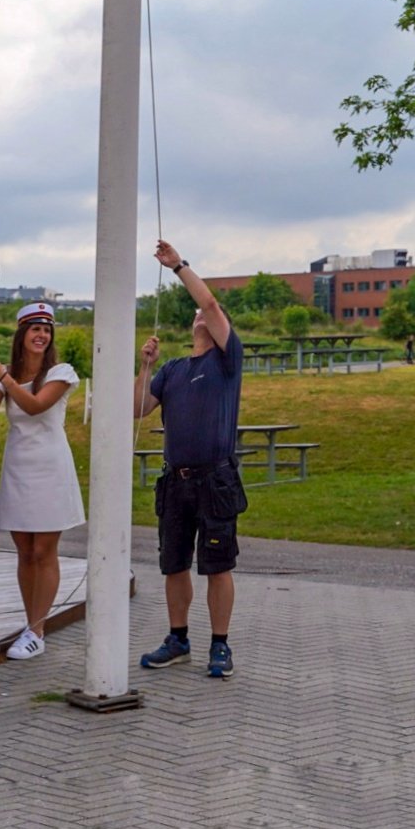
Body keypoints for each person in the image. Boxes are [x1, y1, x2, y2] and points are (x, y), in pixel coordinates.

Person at [133, 240, 244, 681]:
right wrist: (144, 366)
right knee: (174, 563)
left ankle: (220, 645)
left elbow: (211, 301)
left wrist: (177, 265)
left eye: (209, 316)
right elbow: (138, 408)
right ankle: (178, 639)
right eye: (196, 314)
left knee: (217, 565)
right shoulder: (174, 369)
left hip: (215, 480)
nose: (202, 314)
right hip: (175, 482)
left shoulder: (226, 361)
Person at [0, 302, 84, 661]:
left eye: (47, 329)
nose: (41, 335)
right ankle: (29, 623)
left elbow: (37, 406)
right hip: (18, 466)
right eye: (35, 329)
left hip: (50, 467)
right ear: (22, 334)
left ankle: (38, 629)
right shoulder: (9, 376)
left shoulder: (60, 372)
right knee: (24, 550)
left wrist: (3, 378)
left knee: (43, 550)